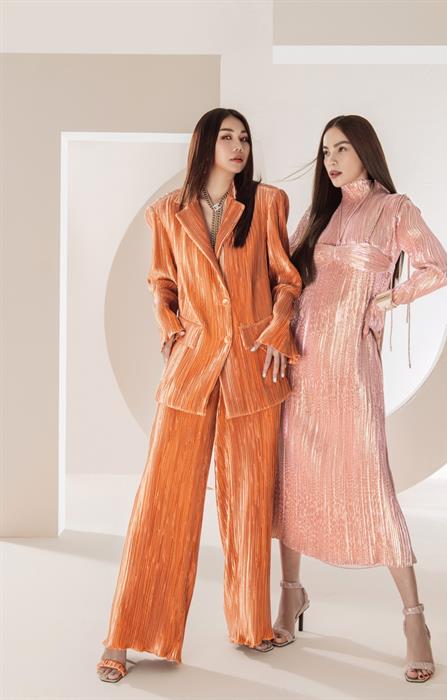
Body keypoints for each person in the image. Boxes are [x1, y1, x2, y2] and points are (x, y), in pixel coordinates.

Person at [96, 108, 302, 682]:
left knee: (248, 502)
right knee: (162, 503)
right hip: (191, 370)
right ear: (204, 144)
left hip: (252, 371)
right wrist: (171, 332)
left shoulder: (267, 204)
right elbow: (161, 284)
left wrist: (276, 331)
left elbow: (287, 279)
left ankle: (251, 623)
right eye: (226, 136)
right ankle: (127, 635)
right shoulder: (166, 213)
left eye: (245, 138)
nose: (238, 146)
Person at [272, 114, 447, 683]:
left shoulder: (395, 209)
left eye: (342, 148)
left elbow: (440, 268)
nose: (331, 159)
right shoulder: (317, 215)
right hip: (301, 364)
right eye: (325, 150)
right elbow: (287, 279)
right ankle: (291, 592)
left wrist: (385, 302)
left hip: (351, 368)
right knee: (293, 477)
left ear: (365, 151)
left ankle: (415, 620)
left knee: (371, 481)